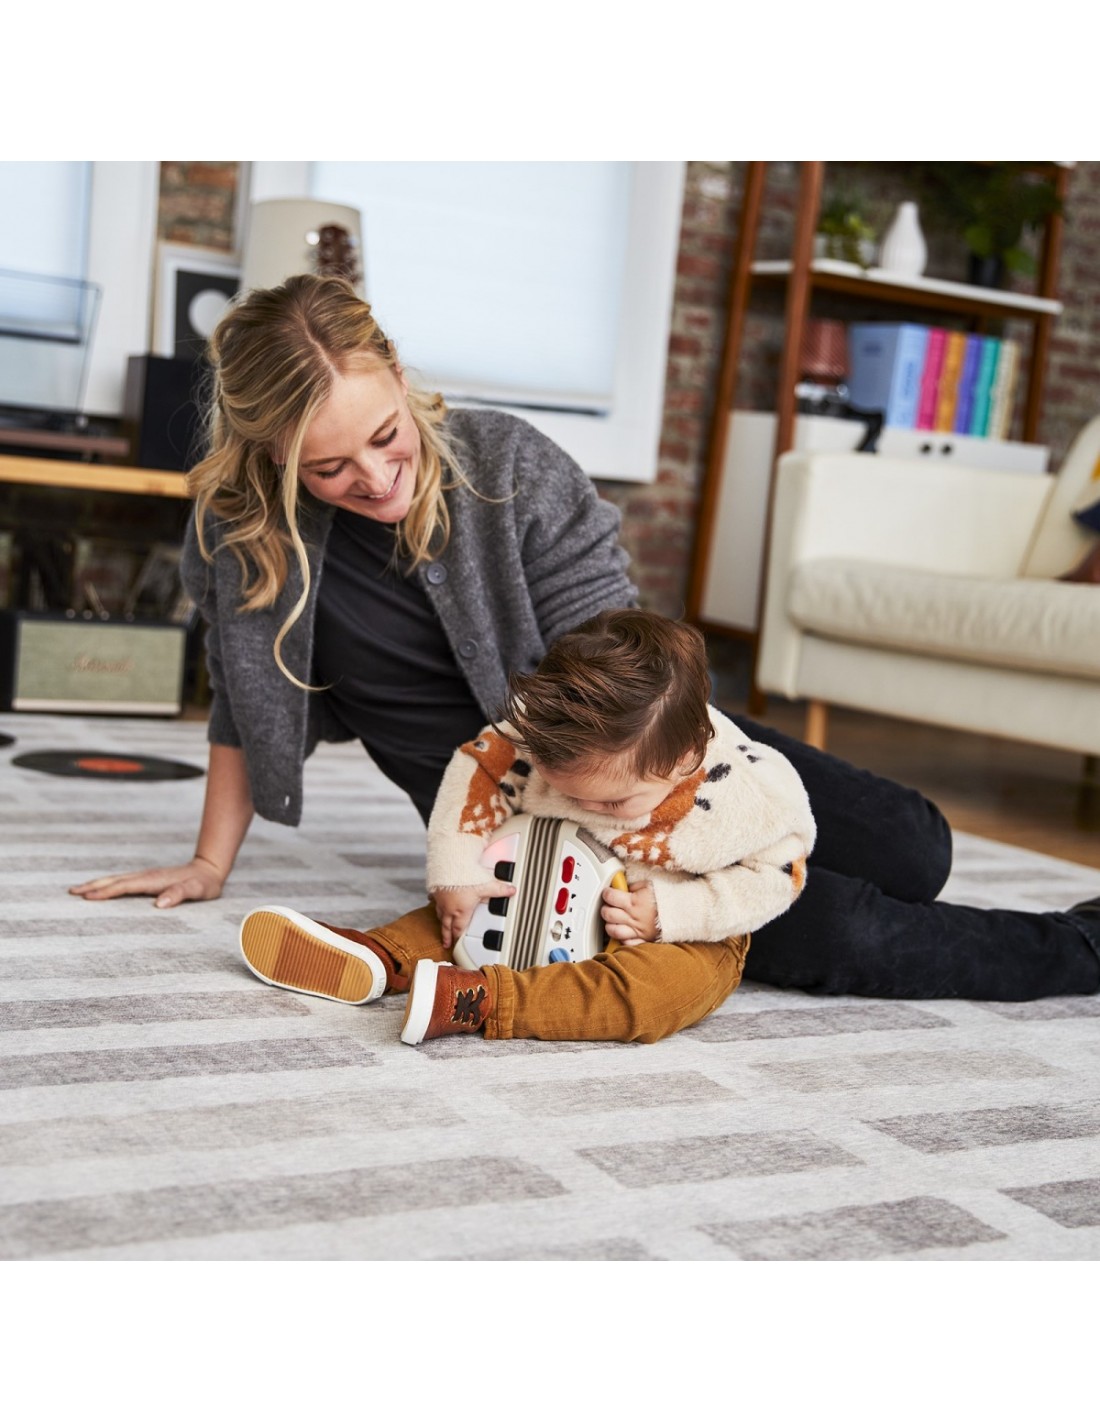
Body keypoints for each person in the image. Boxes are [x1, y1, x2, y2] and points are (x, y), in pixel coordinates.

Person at [68, 274, 1100, 1003]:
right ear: (269, 457)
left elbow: (627, 669)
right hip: (527, 824)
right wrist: (209, 860)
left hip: (639, 754)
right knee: (830, 928)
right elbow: (242, 704)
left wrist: (675, 816)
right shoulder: (240, 539)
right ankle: (1079, 950)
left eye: (384, 437)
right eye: (328, 469)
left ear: (398, 377)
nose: (375, 479)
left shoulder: (511, 467)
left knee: (914, 847)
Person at [239, 608, 817, 1045]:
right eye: (564, 789)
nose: (584, 806)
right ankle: (374, 956)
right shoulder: (533, 734)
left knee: (654, 994)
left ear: (684, 759)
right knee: (452, 918)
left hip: (664, 931)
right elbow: (475, 778)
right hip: (530, 881)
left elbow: (777, 877)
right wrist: (456, 873)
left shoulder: (751, 792)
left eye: (612, 802)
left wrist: (673, 912)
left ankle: (480, 999)